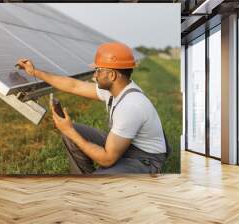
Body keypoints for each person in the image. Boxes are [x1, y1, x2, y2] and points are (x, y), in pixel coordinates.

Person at [16, 42, 170, 174]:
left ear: (112, 75)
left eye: (98, 70)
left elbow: (107, 159)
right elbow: (74, 86)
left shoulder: (130, 106)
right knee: (73, 132)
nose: (94, 75)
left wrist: (69, 130)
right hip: (127, 145)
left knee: (73, 134)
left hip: (145, 159)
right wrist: (35, 72)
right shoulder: (115, 89)